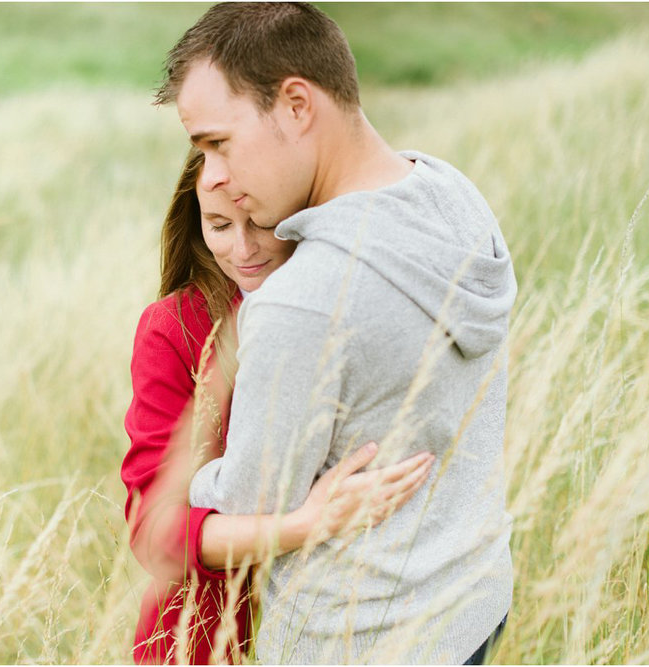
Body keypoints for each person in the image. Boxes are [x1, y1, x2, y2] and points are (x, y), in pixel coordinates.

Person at [154, 3, 517, 664]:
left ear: (296, 104)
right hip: (472, 599)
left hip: (358, 640)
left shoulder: (304, 299)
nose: (213, 176)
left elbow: (249, 501)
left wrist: (192, 483)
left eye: (217, 142)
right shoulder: (452, 193)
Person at [122, 148, 436, 664]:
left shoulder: (352, 298)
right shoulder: (175, 328)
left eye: (263, 223)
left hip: (344, 629)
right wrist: (301, 526)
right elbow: (152, 531)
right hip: (203, 641)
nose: (243, 249)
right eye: (219, 224)